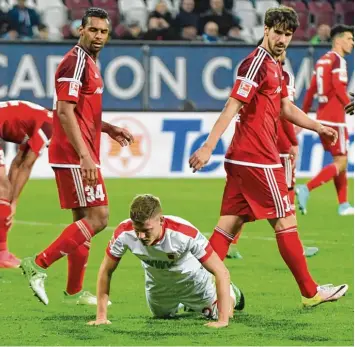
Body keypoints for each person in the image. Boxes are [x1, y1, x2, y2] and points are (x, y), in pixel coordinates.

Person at [189, 6, 348, 307]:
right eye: (277, 32)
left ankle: (193, 292)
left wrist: (317, 127)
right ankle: (310, 292)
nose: (282, 39)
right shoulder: (256, 64)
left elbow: (285, 108)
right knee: (285, 223)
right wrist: (208, 146)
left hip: (244, 159)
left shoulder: (275, 65)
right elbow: (232, 105)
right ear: (265, 29)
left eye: (288, 34)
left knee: (227, 226)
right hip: (257, 159)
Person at [20, 7, 134, 306]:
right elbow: (63, 111)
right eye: (93, 30)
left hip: (80, 150)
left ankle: (73, 292)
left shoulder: (90, 62)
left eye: (103, 31)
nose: (98, 36)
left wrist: (107, 128)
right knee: (100, 218)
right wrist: (84, 155)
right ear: (80, 30)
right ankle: (38, 264)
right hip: (74, 153)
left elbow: (81, 110)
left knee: (83, 220)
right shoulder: (74, 63)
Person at [87, 194, 244, 329]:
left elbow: (221, 271)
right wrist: (101, 316)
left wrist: (222, 321)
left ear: (161, 220)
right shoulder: (123, 233)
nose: (141, 236)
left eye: (146, 230)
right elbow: (106, 270)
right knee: (162, 316)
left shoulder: (183, 233)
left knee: (225, 312)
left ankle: (232, 292)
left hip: (194, 283)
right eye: (137, 230)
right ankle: (186, 305)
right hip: (159, 288)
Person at [227, 46, 319, 260]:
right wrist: (292, 142)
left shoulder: (258, 69)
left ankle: (228, 242)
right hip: (275, 145)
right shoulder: (283, 75)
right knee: (285, 194)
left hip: (253, 145)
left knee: (246, 199)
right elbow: (284, 112)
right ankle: (297, 247)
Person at [298, 25, 354, 216]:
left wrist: (302, 118)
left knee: (340, 161)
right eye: (349, 38)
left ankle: (343, 204)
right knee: (341, 162)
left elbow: (311, 90)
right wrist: (349, 104)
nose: (352, 43)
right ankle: (307, 188)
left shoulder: (322, 61)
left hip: (321, 118)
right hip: (335, 118)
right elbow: (338, 87)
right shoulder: (339, 60)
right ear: (338, 41)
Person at [0, 100, 52, 268]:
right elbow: (26, 165)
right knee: (3, 189)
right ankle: (1, 254)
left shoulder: (39, 120)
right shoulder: (50, 126)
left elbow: (18, 162)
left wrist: (9, 201)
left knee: (4, 190)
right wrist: (13, 202)